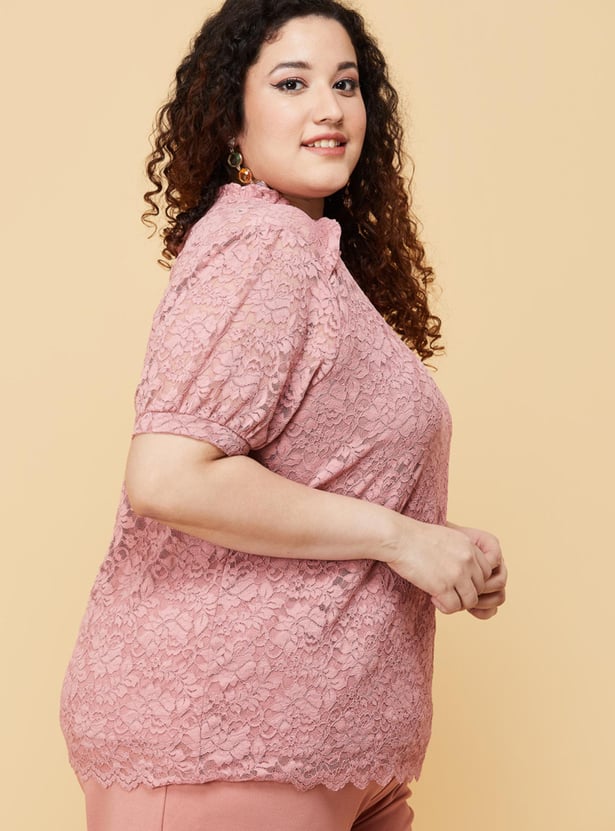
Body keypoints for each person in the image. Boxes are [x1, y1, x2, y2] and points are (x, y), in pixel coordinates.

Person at [60, 0, 508, 828]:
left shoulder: (316, 261)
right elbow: (168, 475)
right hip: (223, 741)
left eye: (345, 83)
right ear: (231, 118)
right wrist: (402, 539)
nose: (328, 108)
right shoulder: (261, 245)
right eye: (292, 83)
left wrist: (438, 543)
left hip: (334, 750)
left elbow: (314, 480)